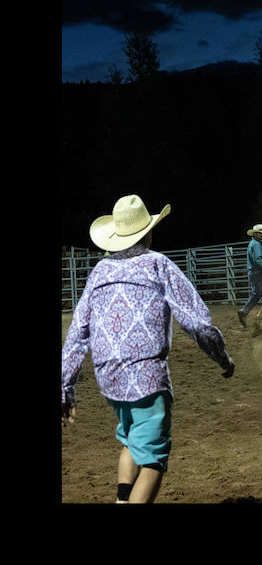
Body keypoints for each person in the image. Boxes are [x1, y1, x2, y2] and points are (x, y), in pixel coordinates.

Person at [61, 194, 235, 504]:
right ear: (149, 232)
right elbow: (195, 321)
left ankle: (122, 499)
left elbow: (78, 331)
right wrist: (222, 357)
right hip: (146, 377)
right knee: (154, 459)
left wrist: (65, 387)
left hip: (109, 378)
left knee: (130, 438)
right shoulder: (159, 264)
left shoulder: (99, 271)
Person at [237, 223, 262, 327]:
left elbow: (255, 258)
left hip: (252, 273)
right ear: (256, 234)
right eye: (261, 233)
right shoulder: (256, 244)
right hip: (258, 273)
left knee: (256, 294)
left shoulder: (252, 243)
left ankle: (244, 311)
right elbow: (257, 260)